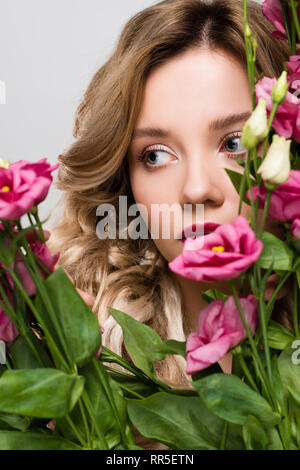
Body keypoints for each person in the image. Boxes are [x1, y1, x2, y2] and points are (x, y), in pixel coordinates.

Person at [47, 0, 293, 449]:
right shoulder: (84, 369)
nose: (197, 190)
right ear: (125, 183)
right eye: (156, 155)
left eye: (235, 143)